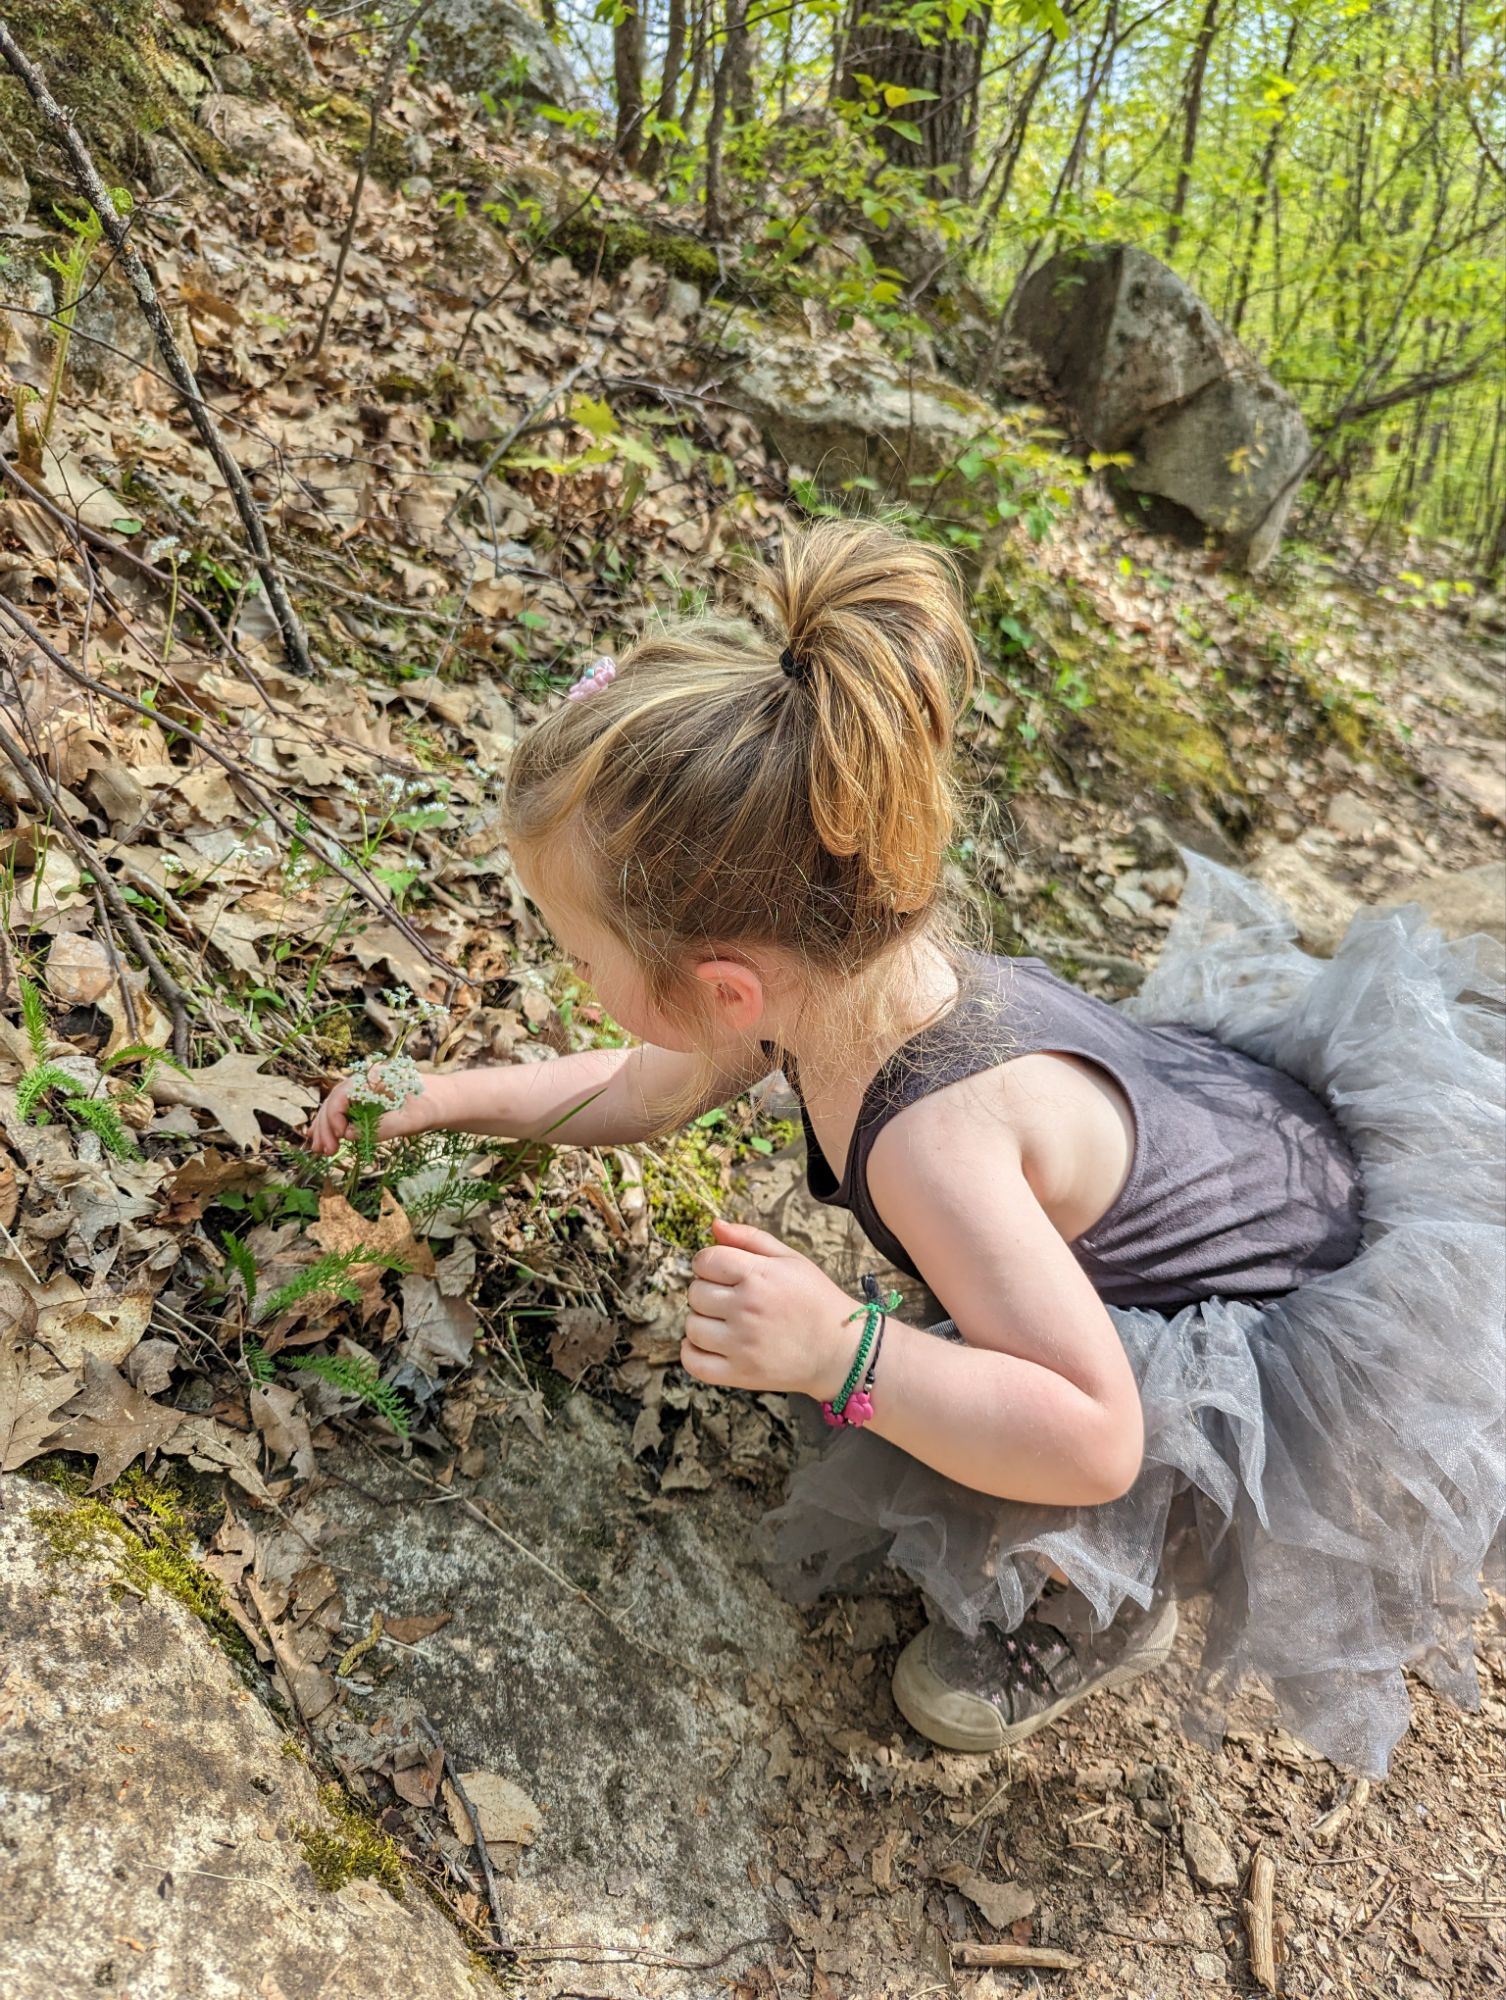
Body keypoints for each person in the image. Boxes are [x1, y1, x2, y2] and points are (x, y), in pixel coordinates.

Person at [307, 519, 1505, 1778]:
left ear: (722, 988)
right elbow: (646, 1084)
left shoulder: (934, 1140)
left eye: (579, 953)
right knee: (991, 1340)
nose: (574, 974)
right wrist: (442, 1095)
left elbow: (1098, 1429)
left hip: (1271, 1310)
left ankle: (1100, 1600)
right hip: (1212, 1146)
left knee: (1116, 1447)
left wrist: (844, 1348)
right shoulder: (833, 972)